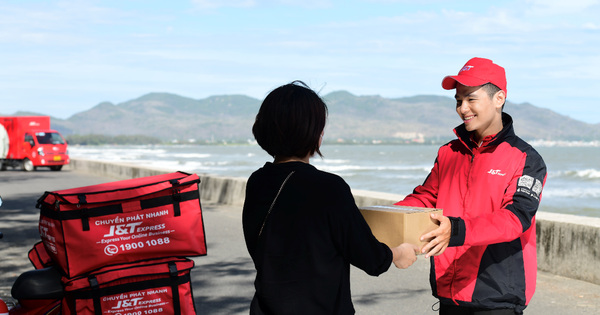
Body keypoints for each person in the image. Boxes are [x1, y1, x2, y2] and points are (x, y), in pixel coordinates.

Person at [243, 81, 419, 315]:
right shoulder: (328, 188)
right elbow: (371, 258)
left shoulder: (257, 181)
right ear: (313, 132)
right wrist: (399, 253)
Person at [396, 58, 547, 314]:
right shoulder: (448, 152)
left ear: (499, 98)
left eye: (471, 99)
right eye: (458, 101)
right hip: (448, 294)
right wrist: (386, 216)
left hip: (496, 298)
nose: (462, 108)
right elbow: (425, 197)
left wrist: (455, 230)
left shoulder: (526, 158)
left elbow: (515, 218)